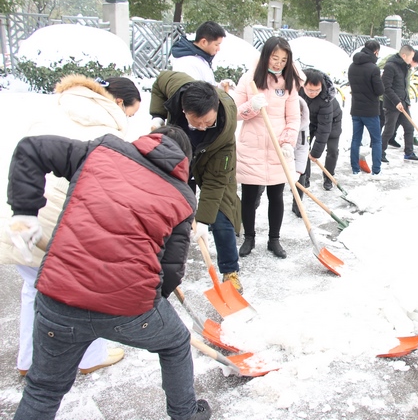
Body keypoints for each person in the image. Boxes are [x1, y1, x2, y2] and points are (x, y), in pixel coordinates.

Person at [7, 126, 212, 420]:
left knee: (43, 389)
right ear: (185, 161)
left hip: (60, 300)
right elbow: (171, 270)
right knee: (176, 342)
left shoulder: (100, 151)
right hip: (129, 309)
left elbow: (32, 149)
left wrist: (25, 212)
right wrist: (153, 302)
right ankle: (186, 413)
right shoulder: (181, 197)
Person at [0, 75, 141, 377]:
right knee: (87, 292)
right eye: (131, 113)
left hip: (20, 218)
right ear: (118, 103)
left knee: (32, 288)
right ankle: (91, 356)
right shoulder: (106, 132)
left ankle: (28, 361)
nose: (129, 120)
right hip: (59, 226)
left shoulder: (53, 111)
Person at [150, 71, 243, 292]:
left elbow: (215, 183)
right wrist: (156, 115)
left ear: (216, 110)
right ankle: (167, 268)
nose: (202, 126)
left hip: (213, 159)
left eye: (207, 122)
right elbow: (160, 81)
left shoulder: (224, 130)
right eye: (196, 122)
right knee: (177, 214)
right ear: (184, 110)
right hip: (181, 156)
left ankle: (230, 272)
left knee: (222, 216)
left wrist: (203, 220)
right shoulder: (179, 90)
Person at [232, 36, 301, 259]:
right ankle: (249, 237)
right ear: (265, 56)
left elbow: (293, 119)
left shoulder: (288, 83)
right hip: (252, 147)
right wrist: (251, 107)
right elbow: (232, 111)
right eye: (274, 58)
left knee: (276, 195)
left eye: (283, 59)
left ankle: (274, 240)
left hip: (277, 148)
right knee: (250, 196)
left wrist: (289, 142)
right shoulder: (249, 79)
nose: (278, 63)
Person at [298, 68, 343, 191]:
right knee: (304, 148)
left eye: (317, 90)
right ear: (303, 85)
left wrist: (316, 153)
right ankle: (304, 179)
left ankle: (328, 178)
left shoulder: (326, 98)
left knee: (332, 151)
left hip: (332, 121)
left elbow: (324, 129)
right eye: (310, 90)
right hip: (309, 121)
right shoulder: (297, 91)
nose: (313, 93)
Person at [348, 39, 385, 175]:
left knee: (355, 139)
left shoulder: (352, 66)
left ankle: (355, 169)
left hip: (356, 108)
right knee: (376, 140)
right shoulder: (373, 68)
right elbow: (379, 90)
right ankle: (376, 170)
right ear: (375, 51)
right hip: (370, 111)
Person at [381, 45, 418, 163]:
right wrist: (396, 101)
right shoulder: (390, 66)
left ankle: (409, 153)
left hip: (403, 102)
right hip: (392, 104)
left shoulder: (404, 67)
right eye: (411, 57)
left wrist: (406, 101)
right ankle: (380, 153)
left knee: (409, 127)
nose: (411, 60)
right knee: (389, 129)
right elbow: (386, 87)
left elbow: (404, 86)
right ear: (404, 55)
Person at [171, 21, 226, 86]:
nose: (218, 49)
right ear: (204, 42)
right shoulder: (187, 63)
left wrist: (221, 87)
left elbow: (207, 85)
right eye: (216, 45)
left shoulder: (201, 58)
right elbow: (194, 93)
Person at [291, 96, 311, 218]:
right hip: (271, 156)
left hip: (292, 154)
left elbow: (303, 148)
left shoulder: (303, 124)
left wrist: (298, 171)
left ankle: (297, 205)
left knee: (301, 172)